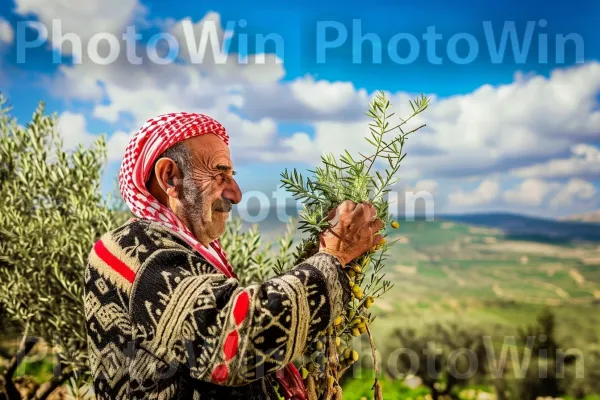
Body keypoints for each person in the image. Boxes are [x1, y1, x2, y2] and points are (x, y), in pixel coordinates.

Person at [83, 112, 383, 400]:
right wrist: (335, 254)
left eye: (232, 175)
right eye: (219, 173)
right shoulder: (137, 254)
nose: (236, 193)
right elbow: (237, 339)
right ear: (171, 177)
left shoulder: (167, 247)